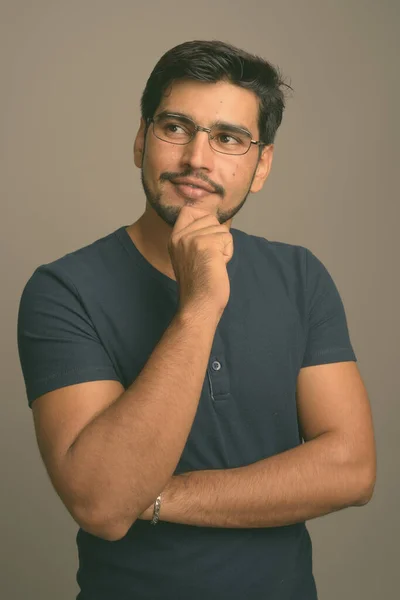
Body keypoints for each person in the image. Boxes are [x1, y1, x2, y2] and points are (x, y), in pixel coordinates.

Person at [17, 40, 376, 600]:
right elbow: (102, 505)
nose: (197, 160)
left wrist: (155, 497)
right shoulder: (64, 290)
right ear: (142, 140)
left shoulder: (301, 276)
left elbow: (351, 469)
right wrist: (200, 304)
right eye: (176, 128)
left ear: (261, 166)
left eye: (229, 139)